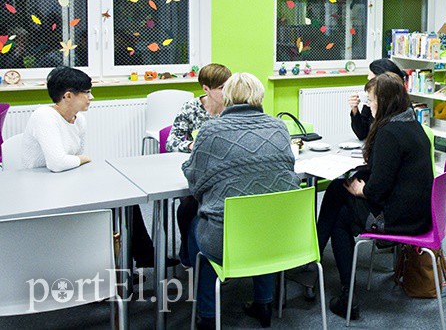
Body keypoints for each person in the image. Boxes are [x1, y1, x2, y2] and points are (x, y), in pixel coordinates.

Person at [19, 66, 172, 269]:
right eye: (87, 92)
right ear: (68, 96)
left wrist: (79, 160)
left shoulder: (79, 119)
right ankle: (122, 262)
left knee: (126, 196)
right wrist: (81, 159)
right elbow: (57, 163)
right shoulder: (44, 116)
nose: (91, 97)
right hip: (41, 189)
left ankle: (139, 258)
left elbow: (72, 159)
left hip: (66, 180)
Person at [183, 72, 299, 330]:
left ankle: (207, 315)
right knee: (263, 218)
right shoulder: (279, 127)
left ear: (227, 97)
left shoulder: (211, 130)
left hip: (227, 240)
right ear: (259, 96)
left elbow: (196, 183)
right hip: (279, 236)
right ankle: (264, 303)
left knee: (196, 228)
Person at [320, 73, 433, 320]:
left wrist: (362, 190)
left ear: (384, 101)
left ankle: (343, 289)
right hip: (419, 214)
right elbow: (391, 173)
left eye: (371, 100)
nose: (368, 105)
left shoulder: (389, 133)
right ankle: (318, 251)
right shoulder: (411, 124)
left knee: (339, 214)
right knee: (338, 189)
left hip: (398, 219)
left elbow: (378, 190)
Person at [165, 63, 232, 266]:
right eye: (221, 88)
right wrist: (193, 144)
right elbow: (171, 142)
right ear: (206, 89)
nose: (226, 92)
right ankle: (187, 249)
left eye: (228, 86)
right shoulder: (191, 108)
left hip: (225, 171)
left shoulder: (233, 108)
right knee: (188, 203)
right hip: (198, 170)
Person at [347, 58, 405, 140]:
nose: (368, 83)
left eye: (371, 81)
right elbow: (362, 133)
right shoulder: (373, 100)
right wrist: (354, 109)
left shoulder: (401, 105)